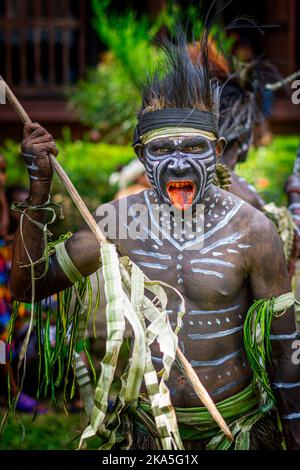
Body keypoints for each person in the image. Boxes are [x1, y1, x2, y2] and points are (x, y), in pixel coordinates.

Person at [10, 32, 300, 450]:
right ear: (141, 156)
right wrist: (38, 191)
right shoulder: (119, 223)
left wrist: (292, 429)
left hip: (234, 430)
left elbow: (283, 344)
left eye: (194, 148)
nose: (179, 162)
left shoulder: (252, 230)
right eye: (163, 149)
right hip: (150, 432)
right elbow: (28, 287)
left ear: (217, 151)